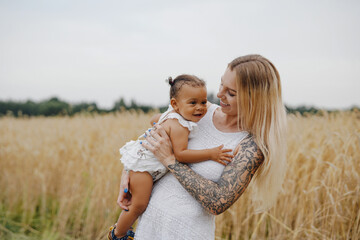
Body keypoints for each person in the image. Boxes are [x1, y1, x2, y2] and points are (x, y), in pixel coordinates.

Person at [118, 54, 287, 239]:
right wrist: (128, 174)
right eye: (222, 84)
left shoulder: (251, 146)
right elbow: (150, 139)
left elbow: (217, 201)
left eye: (231, 93)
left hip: (187, 233)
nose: (220, 94)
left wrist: (170, 161)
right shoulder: (199, 111)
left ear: (255, 99)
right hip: (148, 227)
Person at [108, 75, 234, 240]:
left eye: (203, 102)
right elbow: (181, 155)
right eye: (193, 103)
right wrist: (211, 153)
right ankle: (119, 234)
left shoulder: (172, 114)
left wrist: (161, 126)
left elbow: (153, 120)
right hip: (144, 168)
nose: (200, 108)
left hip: (144, 165)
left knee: (139, 203)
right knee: (138, 204)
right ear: (175, 104)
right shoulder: (180, 126)